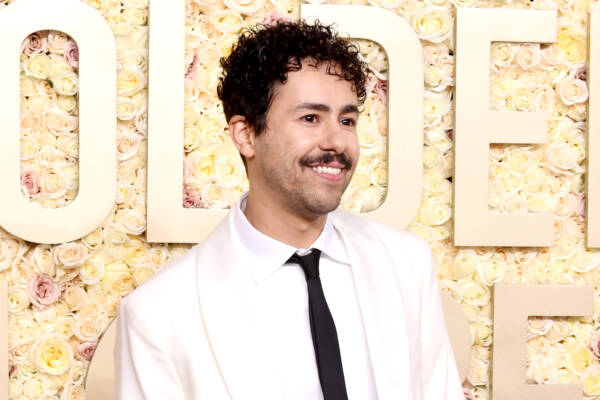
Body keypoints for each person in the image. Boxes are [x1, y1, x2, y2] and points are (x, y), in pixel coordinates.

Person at [114, 20, 463, 400]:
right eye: (310, 118)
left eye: (346, 120)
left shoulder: (406, 263)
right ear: (246, 134)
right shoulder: (158, 313)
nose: (336, 141)